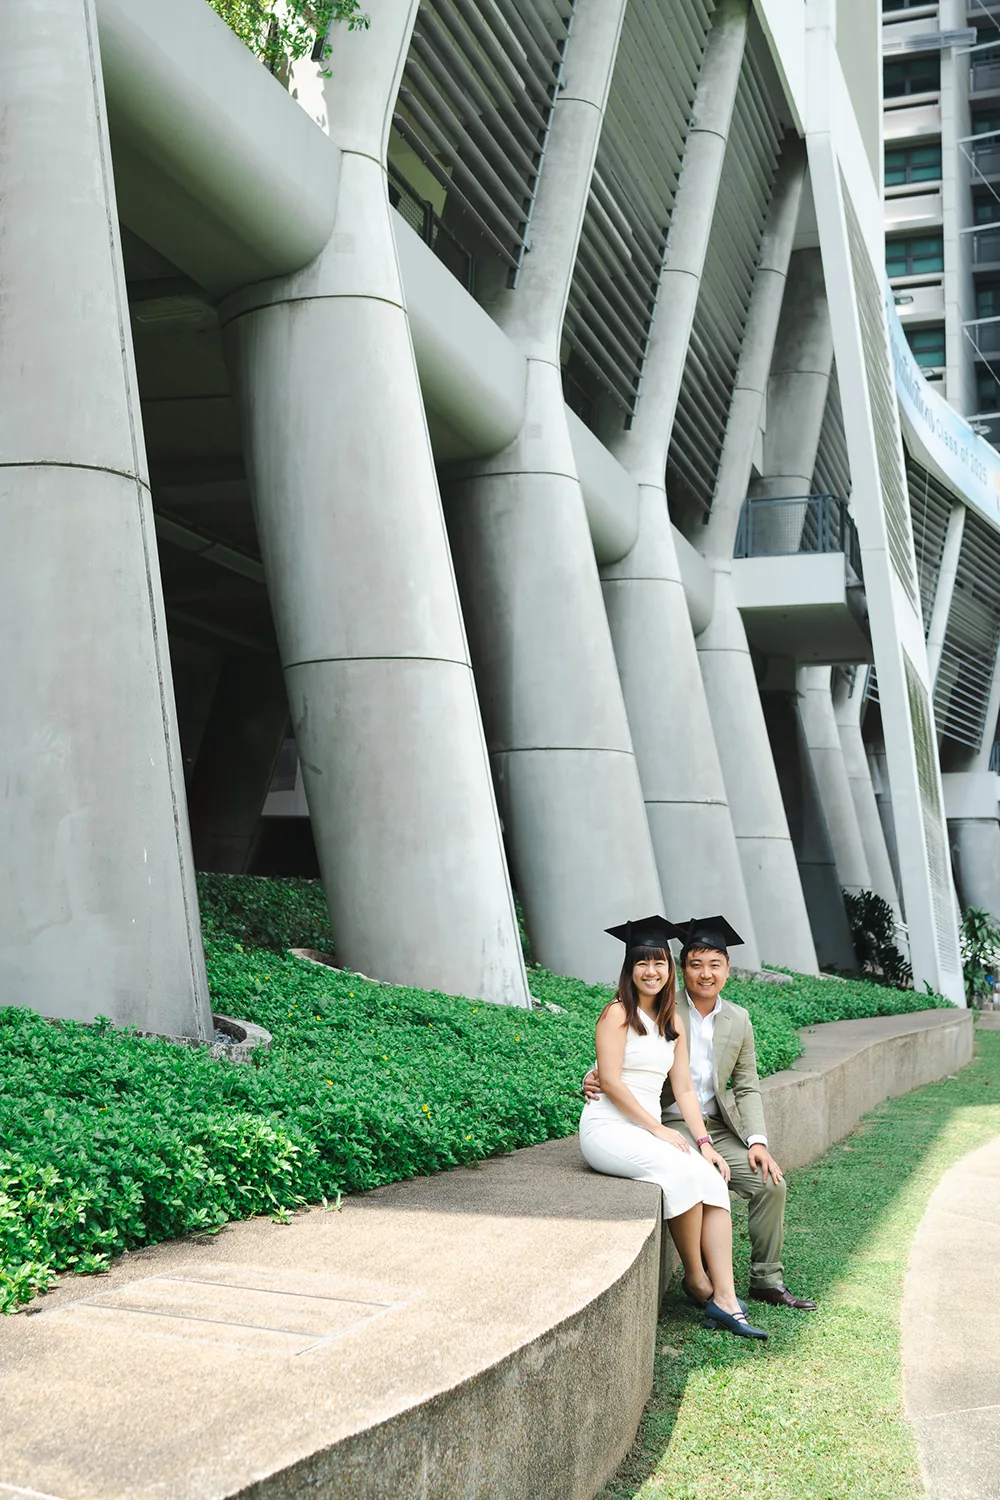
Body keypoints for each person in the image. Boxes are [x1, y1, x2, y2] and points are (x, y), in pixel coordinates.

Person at [585, 915, 817, 1313]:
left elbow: (746, 1085)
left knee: (770, 1184)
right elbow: (622, 1063)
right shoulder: (659, 1005)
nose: (705, 974)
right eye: (695, 964)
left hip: (713, 1126)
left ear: (728, 968)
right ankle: (704, 1278)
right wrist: (592, 1076)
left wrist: (757, 1141)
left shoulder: (736, 1019)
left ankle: (766, 1280)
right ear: (683, 968)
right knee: (702, 1176)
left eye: (714, 964)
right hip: (663, 1120)